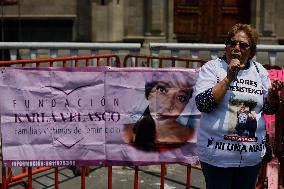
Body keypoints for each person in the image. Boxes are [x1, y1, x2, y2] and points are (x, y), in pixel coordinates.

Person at [194, 23, 284, 189]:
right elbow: (203, 104)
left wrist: (272, 94)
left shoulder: (260, 71)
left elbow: (270, 109)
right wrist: (228, 78)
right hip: (218, 157)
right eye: (232, 43)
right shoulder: (212, 68)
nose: (236, 48)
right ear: (226, 46)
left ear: (251, 51)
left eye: (242, 45)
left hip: (251, 157)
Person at [122, 71, 196, 151]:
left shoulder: (191, 136)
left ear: (186, 102)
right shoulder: (126, 132)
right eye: (162, 90)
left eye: (181, 98)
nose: (168, 105)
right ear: (149, 93)